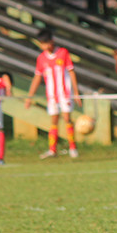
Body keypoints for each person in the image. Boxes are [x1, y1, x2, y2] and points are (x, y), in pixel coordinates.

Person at [24, 29, 82, 158]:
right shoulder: (41, 58)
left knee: (67, 118)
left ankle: (73, 147)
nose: (44, 46)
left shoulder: (63, 53)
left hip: (65, 93)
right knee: (54, 120)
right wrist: (29, 96)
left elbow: (71, 71)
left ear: (52, 41)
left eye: (46, 43)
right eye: (42, 44)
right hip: (51, 95)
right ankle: (52, 149)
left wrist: (76, 92)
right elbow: (37, 77)